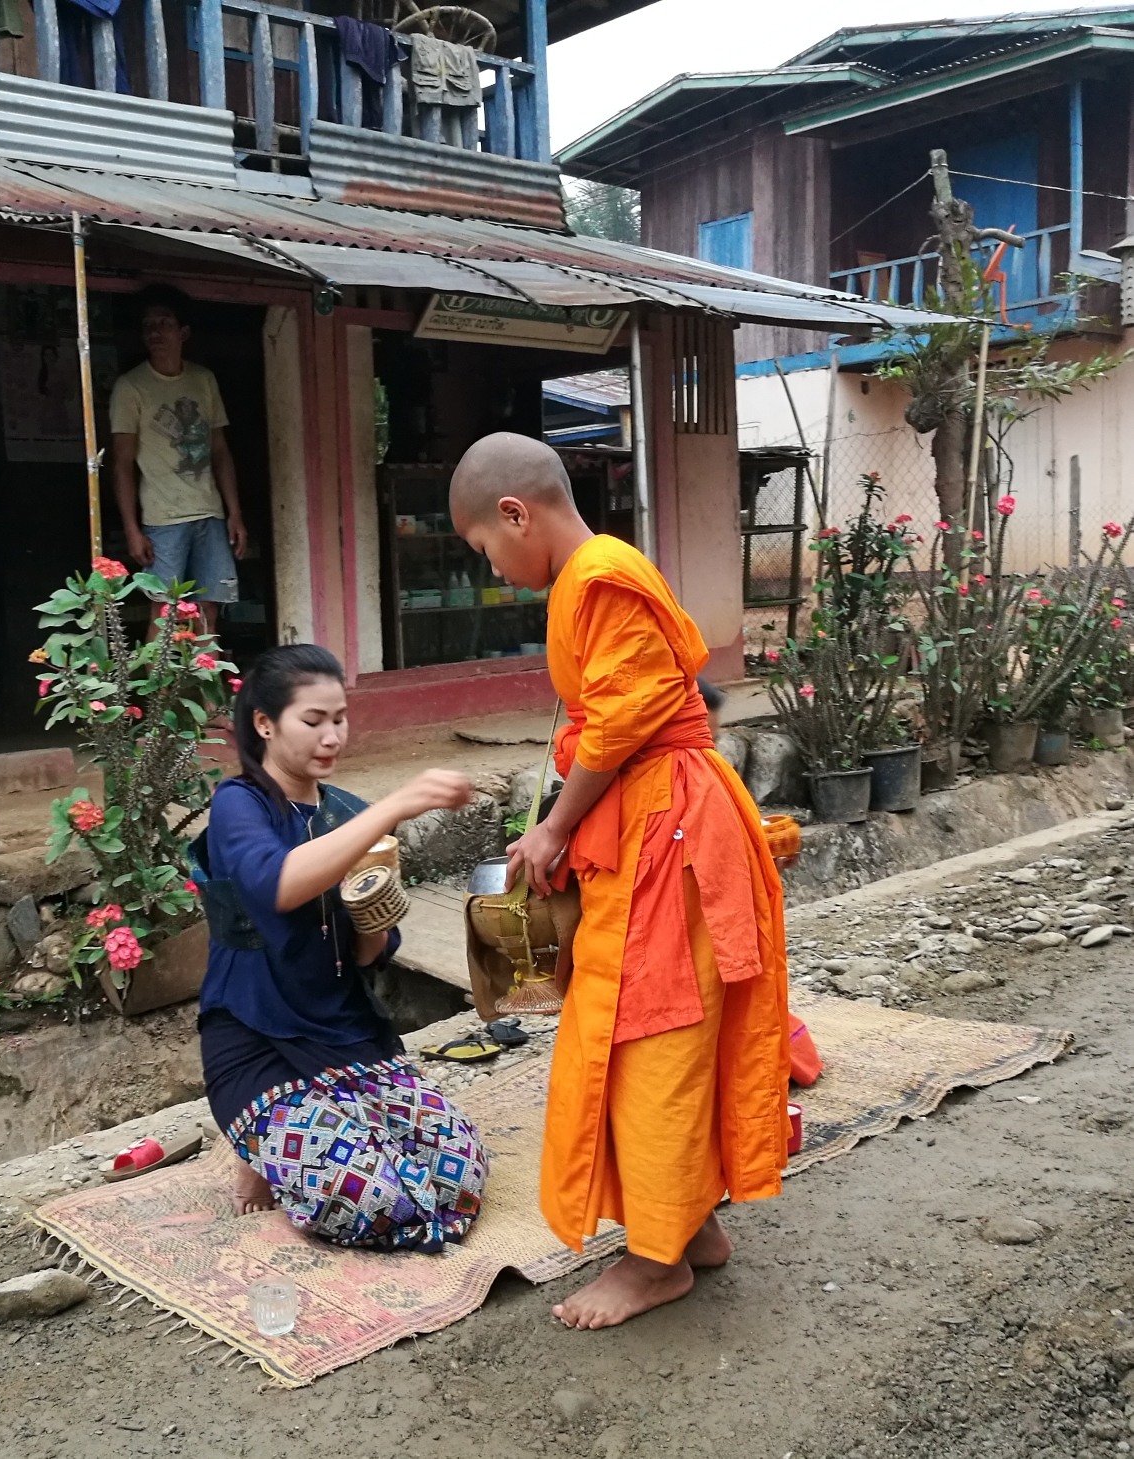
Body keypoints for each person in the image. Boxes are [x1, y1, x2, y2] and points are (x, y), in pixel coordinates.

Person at [449, 433, 791, 1329]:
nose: (491, 563)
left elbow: (626, 716)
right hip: (650, 822)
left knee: (655, 1033)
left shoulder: (599, 572)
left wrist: (557, 822)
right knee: (653, 1023)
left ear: (515, 513)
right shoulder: (586, 577)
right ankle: (689, 1227)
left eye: (484, 546)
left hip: (669, 829)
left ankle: (652, 1262)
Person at [191, 644, 489, 1251]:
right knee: (372, 1200)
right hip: (255, 1037)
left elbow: (364, 955)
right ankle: (259, 1144)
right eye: (313, 721)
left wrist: (374, 915)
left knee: (457, 1174)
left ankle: (277, 1147)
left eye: (340, 718)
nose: (332, 736)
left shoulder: (346, 813)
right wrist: (397, 806)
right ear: (265, 724)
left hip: (342, 1027)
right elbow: (275, 883)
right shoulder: (238, 804)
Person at [110, 284, 247, 638]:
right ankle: (159, 695)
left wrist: (234, 513)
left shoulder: (203, 380)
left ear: (183, 332)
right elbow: (122, 463)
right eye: (148, 325)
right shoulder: (131, 387)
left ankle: (210, 695)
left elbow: (220, 451)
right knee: (163, 612)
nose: (155, 331)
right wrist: (131, 528)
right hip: (162, 518)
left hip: (210, 514)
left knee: (208, 613)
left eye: (164, 322)